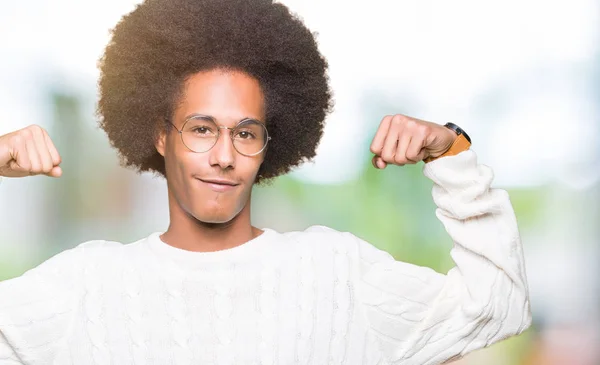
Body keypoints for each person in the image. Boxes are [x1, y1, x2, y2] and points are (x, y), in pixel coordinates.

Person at [0, 0, 531, 364]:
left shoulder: (335, 273)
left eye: (246, 133)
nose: (225, 156)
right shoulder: (87, 284)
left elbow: (498, 305)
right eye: (201, 129)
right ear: (160, 135)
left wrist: (453, 154)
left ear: (270, 145)